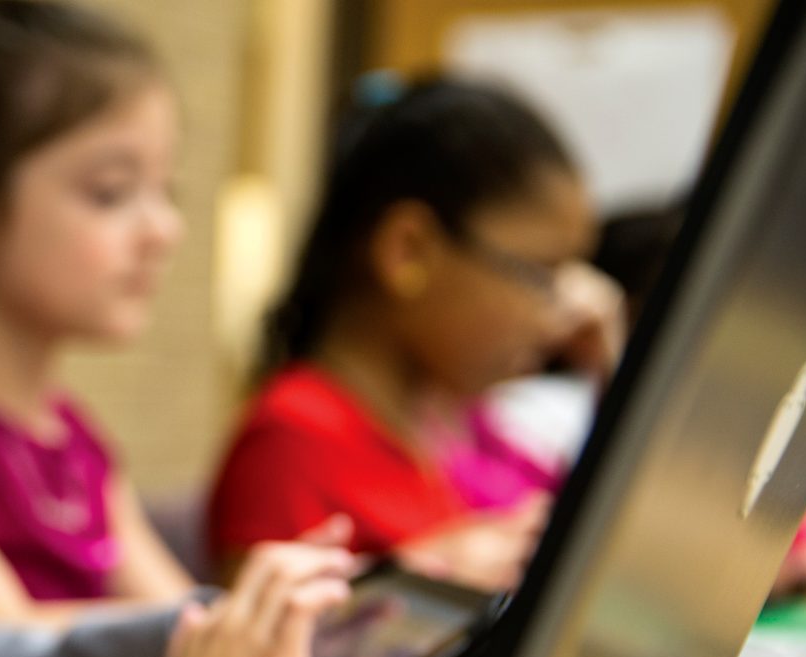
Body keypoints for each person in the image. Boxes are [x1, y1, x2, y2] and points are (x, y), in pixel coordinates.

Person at [0, 0, 354, 636]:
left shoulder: (69, 438)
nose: (166, 230)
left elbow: (174, 616)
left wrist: (289, 610)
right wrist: (238, 624)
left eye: (167, 192)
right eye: (112, 192)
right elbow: (2, 646)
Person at [207, 78, 624, 592]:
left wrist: (610, 373)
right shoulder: (292, 441)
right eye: (539, 275)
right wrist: (425, 584)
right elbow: (252, 656)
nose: (557, 313)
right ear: (409, 252)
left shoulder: (459, 425)